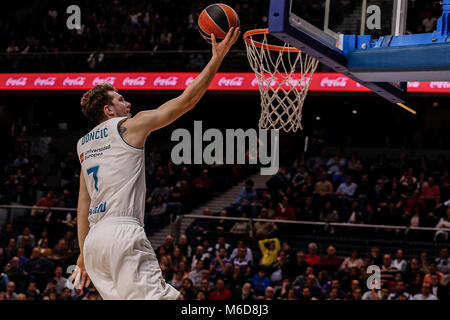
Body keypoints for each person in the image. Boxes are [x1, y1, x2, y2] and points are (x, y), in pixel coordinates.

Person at [73, 27, 241, 300]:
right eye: (120, 99)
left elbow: (83, 205)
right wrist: (217, 58)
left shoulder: (83, 144)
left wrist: (82, 252)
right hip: (121, 232)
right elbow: (186, 101)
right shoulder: (128, 126)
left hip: (93, 243)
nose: (127, 103)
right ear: (108, 109)